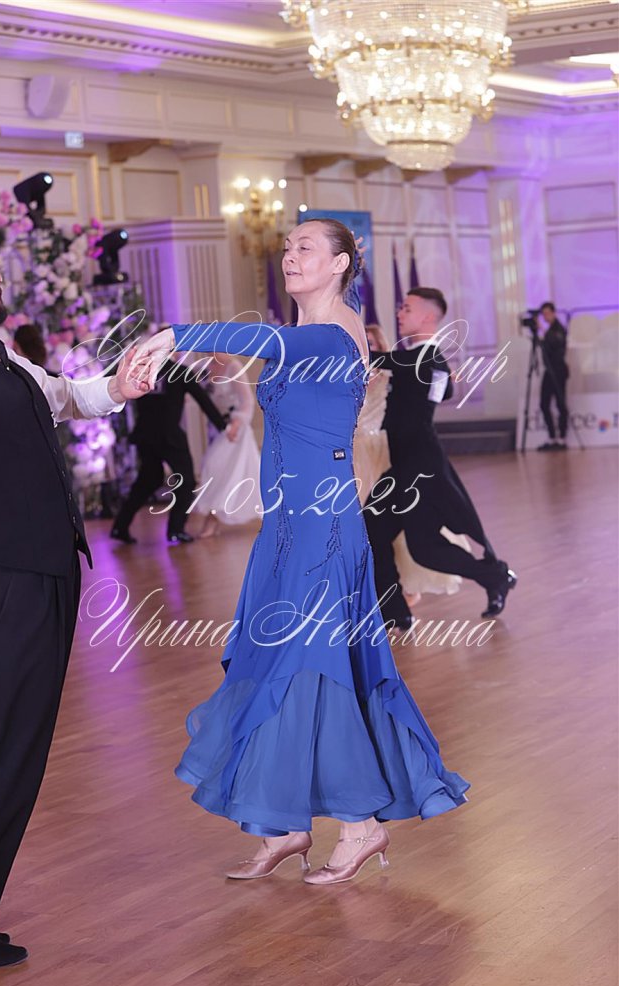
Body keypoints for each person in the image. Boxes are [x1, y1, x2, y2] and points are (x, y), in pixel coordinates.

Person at [136, 219, 469, 887]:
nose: (289, 256)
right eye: (286, 247)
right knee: (274, 664)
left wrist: (175, 334)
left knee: (317, 668)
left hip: (323, 533)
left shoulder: (336, 332)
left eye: (305, 247)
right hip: (285, 532)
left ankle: (360, 825)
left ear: (342, 264)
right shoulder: (302, 334)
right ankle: (286, 823)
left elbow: (264, 341)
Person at [0, 220, 150, 968]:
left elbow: (68, 397)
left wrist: (121, 386)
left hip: (46, 576)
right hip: (4, 582)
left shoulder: (4, 360)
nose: (3, 274)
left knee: (13, 752)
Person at [364, 288, 517, 631]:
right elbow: (433, 385)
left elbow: (392, 362)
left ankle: (494, 576)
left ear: (428, 317)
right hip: (409, 464)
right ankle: (397, 609)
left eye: (407, 308)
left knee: (416, 545)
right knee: (383, 532)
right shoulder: (426, 361)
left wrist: (351, 347)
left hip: (420, 468)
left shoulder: (426, 359)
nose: (400, 313)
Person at [354, 323, 470, 605]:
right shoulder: (347, 379)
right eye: (362, 344)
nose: (367, 349)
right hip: (355, 456)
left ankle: (405, 585)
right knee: (360, 526)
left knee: (396, 523)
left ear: (381, 347)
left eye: (371, 344)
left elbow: (434, 387)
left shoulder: (395, 374)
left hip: (384, 452)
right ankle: (370, 589)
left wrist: (444, 376)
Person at [110, 351, 228, 544]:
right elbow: (203, 401)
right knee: (186, 481)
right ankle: (175, 529)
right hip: (170, 437)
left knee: (148, 481)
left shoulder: (143, 372)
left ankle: (120, 526)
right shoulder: (180, 371)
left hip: (146, 435)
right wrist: (223, 427)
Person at [196, 352, 261, 538]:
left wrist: (236, 424)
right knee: (217, 470)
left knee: (217, 467)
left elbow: (247, 401)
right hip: (216, 427)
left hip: (234, 429)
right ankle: (213, 517)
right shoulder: (204, 368)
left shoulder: (234, 367)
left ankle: (212, 518)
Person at [537, 302, 569, 452]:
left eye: (548, 313)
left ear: (554, 313)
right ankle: (551, 436)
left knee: (560, 404)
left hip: (558, 370)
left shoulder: (559, 329)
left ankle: (562, 438)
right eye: (543, 314)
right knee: (544, 403)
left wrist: (541, 329)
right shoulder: (550, 330)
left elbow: (556, 343)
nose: (545, 316)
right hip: (548, 371)